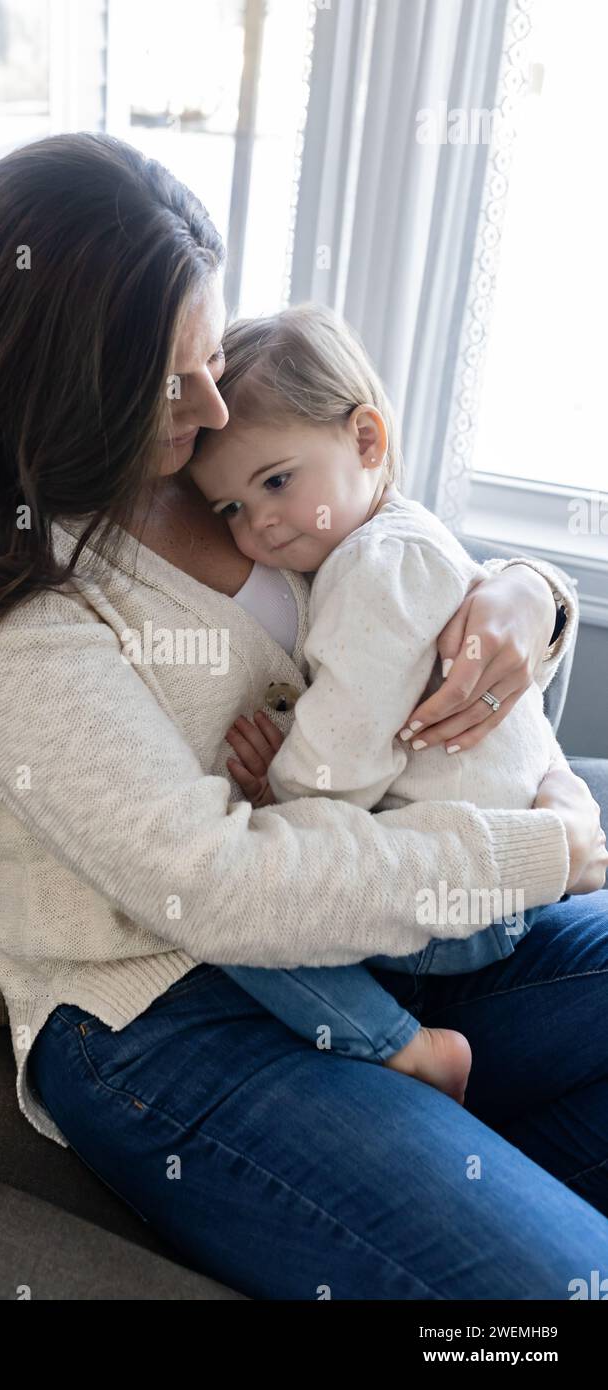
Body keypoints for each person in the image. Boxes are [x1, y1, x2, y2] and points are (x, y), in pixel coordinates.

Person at [0, 133, 608, 1299]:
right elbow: (217, 885)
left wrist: (529, 596)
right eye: (173, 376)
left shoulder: (204, 456)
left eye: (207, 356)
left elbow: (392, 553)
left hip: (385, 925)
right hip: (173, 1010)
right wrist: (534, 852)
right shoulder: (6, 615)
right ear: (65, 378)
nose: (214, 398)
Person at [188, 302, 606, 1107]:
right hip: (499, 854)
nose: (261, 524)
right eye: (231, 509)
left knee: (233, 917)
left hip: (474, 889)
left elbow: (346, 738)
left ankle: (402, 1048)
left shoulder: (374, 569)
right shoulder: (399, 539)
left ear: (367, 440)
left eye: (276, 483)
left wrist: (285, 793)